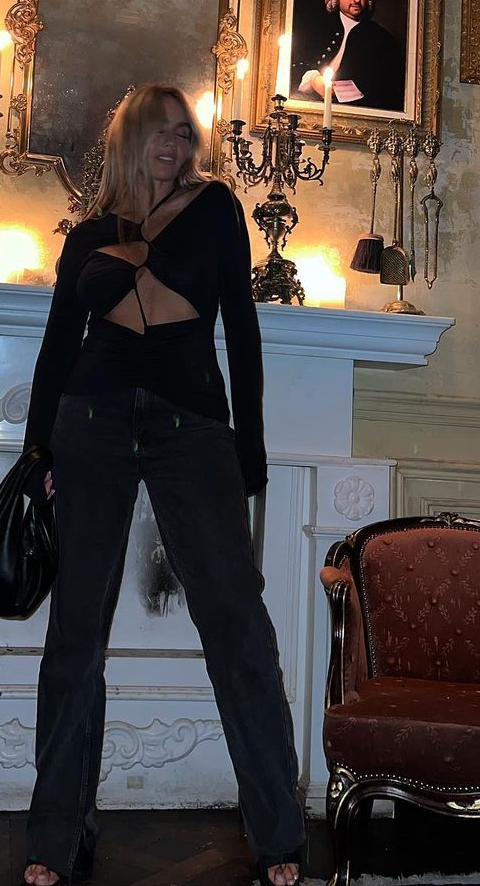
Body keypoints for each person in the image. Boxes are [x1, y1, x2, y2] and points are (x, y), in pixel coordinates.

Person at [20, 84, 305, 886]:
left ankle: (277, 835)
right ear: (129, 139)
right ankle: (57, 834)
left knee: (237, 622)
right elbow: (57, 345)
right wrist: (36, 450)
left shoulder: (215, 209)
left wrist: (250, 445)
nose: (173, 145)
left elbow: (240, 326)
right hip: (91, 422)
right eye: (159, 132)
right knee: (76, 631)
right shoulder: (86, 235)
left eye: (184, 133)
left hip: (193, 426)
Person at [296, 0, 405, 111]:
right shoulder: (316, 27)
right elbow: (294, 65)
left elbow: (386, 91)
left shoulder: (382, 39)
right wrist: (313, 80)